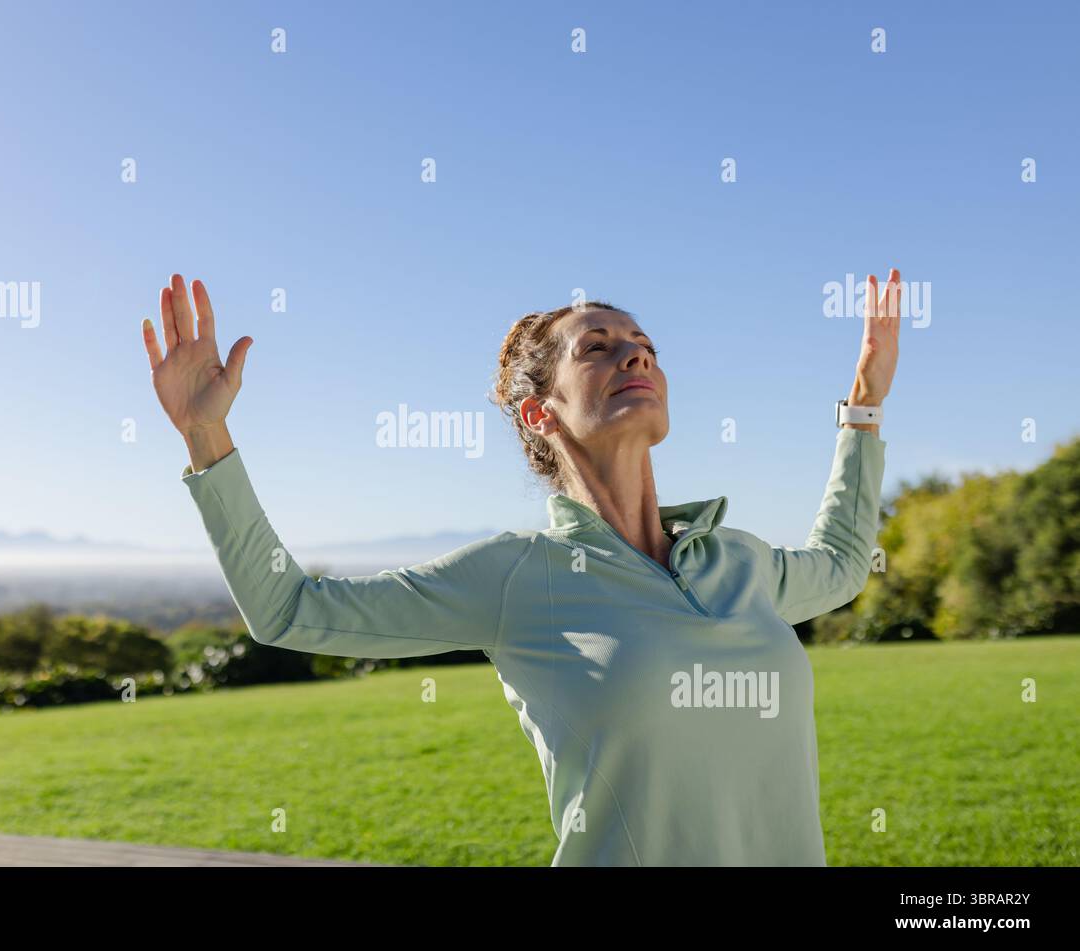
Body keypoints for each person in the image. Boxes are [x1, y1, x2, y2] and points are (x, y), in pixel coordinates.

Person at [140, 269, 900, 866]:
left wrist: (864, 400)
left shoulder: (736, 560)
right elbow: (288, 607)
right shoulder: (516, 578)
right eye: (595, 346)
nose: (635, 352)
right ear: (540, 412)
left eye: (643, 343)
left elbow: (838, 565)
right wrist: (207, 435)